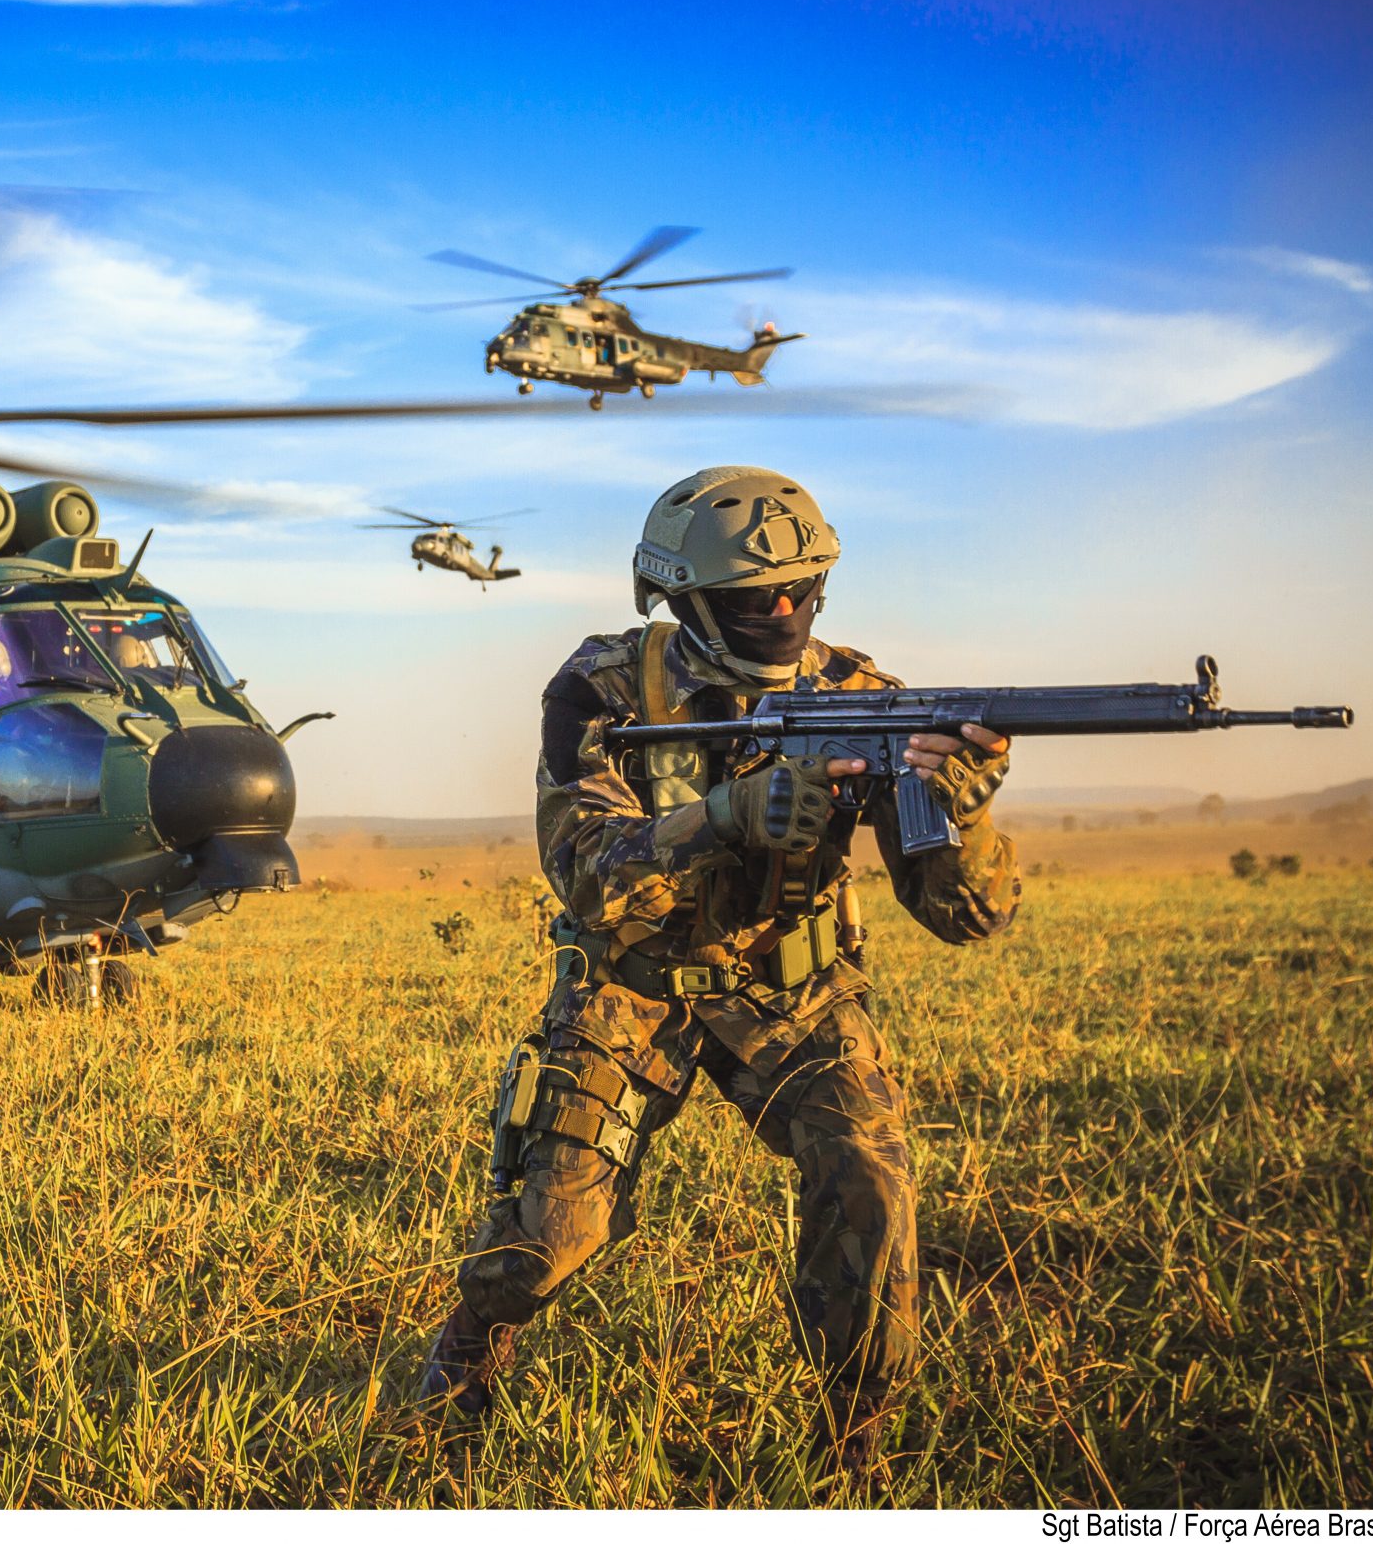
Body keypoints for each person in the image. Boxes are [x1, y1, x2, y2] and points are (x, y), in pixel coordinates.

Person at [415, 466, 1022, 1473]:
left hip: (796, 988)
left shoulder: (860, 697)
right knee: (550, 1235)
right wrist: (725, 816)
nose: (783, 612)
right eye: (753, 598)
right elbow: (585, 877)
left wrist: (960, 807)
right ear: (681, 598)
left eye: (802, 591)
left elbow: (968, 915)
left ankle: (851, 1443)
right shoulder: (603, 685)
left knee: (868, 1178)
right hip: (631, 986)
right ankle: (470, 1348)